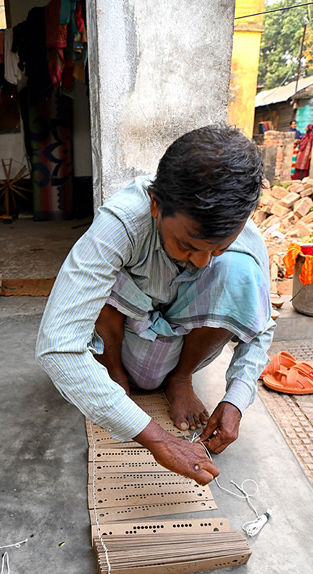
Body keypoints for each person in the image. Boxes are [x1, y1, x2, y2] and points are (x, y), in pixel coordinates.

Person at [36, 125, 274, 485]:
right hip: (124, 337)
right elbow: (58, 346)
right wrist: (157, 438)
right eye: (187, 246)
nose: (200, 262)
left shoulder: (240, 235)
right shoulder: (120, 224)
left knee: (241, 273)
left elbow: (261, 326)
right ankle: (114, 373)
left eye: (218, 247)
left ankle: (180, 379)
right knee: (96, 281)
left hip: (179, 347)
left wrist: (236, 399)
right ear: (155, 205)